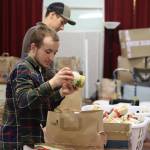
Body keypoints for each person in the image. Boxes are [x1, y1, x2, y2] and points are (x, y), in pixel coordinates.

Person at [0, 25, 76, 149]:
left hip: (30, 140)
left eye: (54, 53)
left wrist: (62, 92)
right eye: (48, 51)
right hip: (18, 142)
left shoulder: (39, 70)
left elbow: (41, 105)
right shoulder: (23, 68)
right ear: (34, 47)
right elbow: (24, 102)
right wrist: (52, 83)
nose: (51, 58)